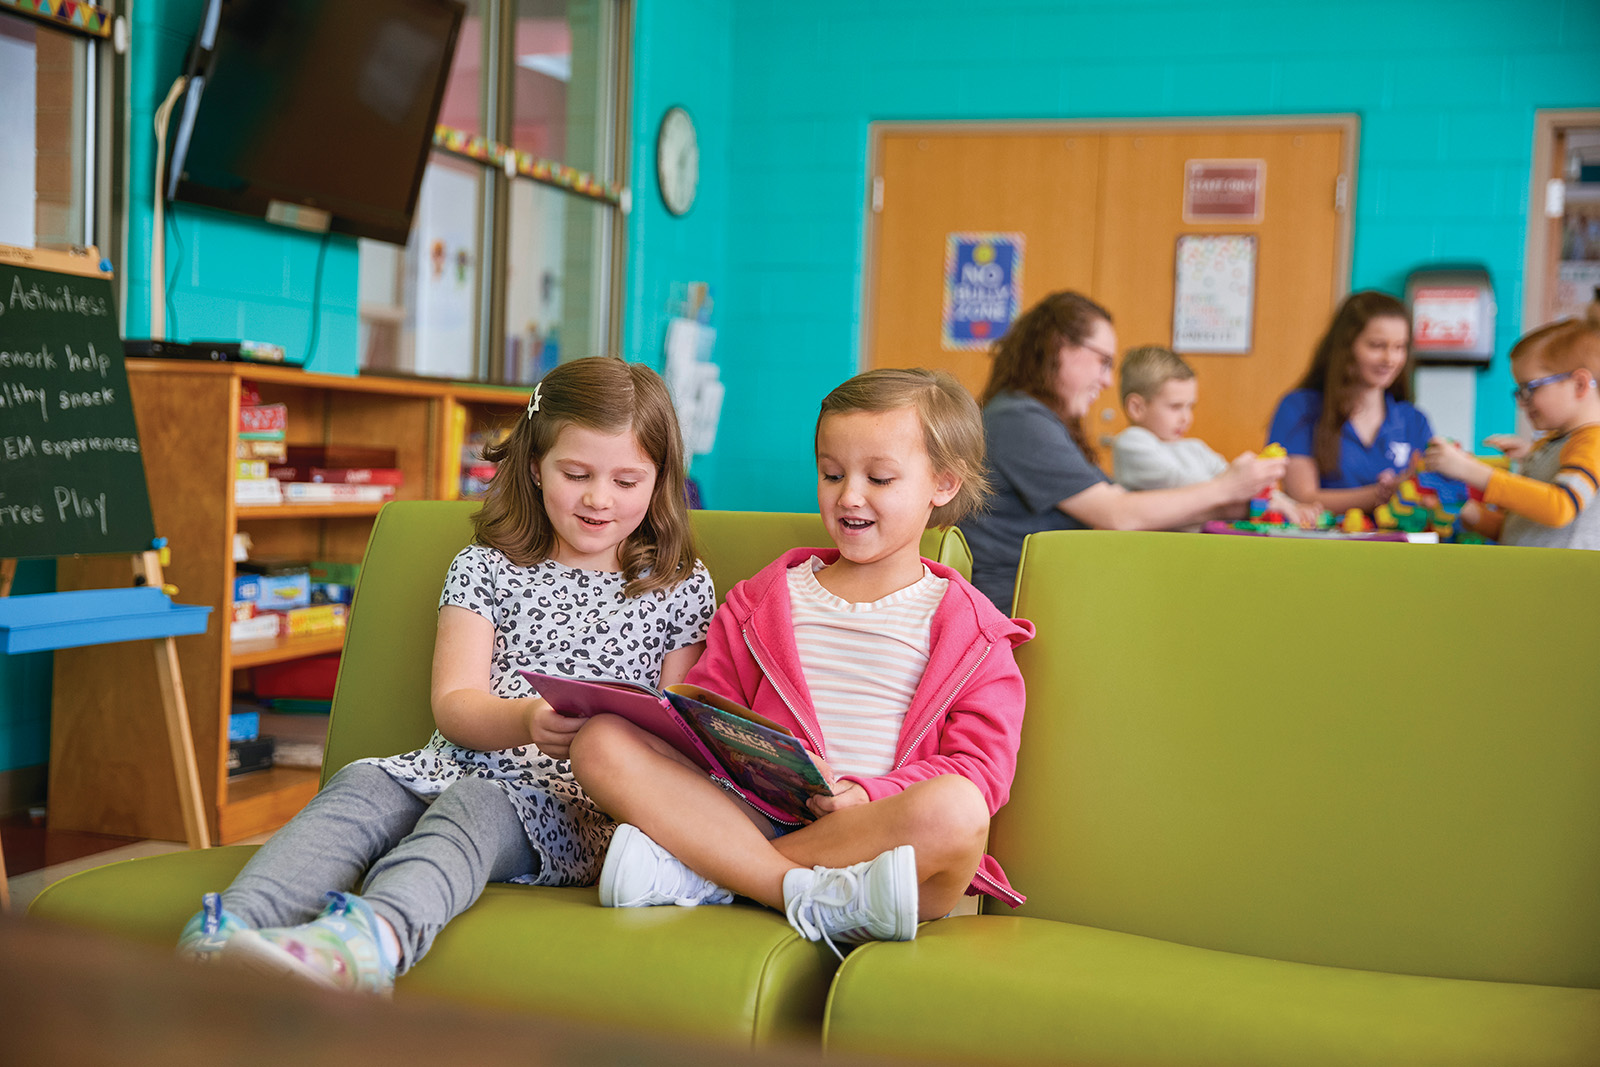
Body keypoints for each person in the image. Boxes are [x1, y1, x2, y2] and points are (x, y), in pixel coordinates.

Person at [176, 357, 717, 993]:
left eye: (627, 480)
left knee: (474, 809)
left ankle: (369, 940)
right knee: (360, 787)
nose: (601, 498)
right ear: (536, 466)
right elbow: (454, 704)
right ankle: (230, 931)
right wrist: (525, 720)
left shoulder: (679, 587)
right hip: (456, 761)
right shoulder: (485, 567)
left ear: (659, 484)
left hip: (573, 810)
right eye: (577, 474)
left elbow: (681, 735)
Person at [568, 368, 1034, 956]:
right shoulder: (765, 599)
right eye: (832, 473)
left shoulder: (978, 635)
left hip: (881, 840)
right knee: (600, 741)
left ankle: (710, 876)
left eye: (880, 478)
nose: (849, 496)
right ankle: (793, 888)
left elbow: (980, 771)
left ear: (943, 484)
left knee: (959, 809)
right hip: (759, 814)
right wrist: (720, 744)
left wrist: (868, 794)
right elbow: (707, 715)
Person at [962, 291, 1286, 612]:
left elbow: (1120, 502)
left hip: (1042, 591)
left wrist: (1233, 505)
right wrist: (1225, 488)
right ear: (1060, 347)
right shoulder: (1019, 419)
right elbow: (1117, 514)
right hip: (1013, 604)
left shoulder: (1030, 416)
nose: (1106, 381)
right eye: (1103, 362)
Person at [1423, 301, 1600, 549]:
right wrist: (1464, 508)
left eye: (1530, 388)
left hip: (1563, 584)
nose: (1522, 402)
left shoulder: (1592, 443)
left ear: (1580, 384)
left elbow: (1560, 507)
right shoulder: (1553, 445)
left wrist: (1471, 470)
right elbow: (1517, 531)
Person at [1112, 345, 1318, 527]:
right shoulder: (1132, 442)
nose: (1186, 418)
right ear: (1136, 407)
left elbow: (1230, 476)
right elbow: (1182, 482)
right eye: (1175, 407)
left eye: (1190, 406)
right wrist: (1247, 488)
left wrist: (1291, 504)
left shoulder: (1194, 448)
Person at [1267, 290, 1434, 514]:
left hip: (1400, 545)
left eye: (1399, 347)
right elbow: (1303, 498)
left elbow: (1428, 492)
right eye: (1376, 345)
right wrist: (1384, 494)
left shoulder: (1414, 420)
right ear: (1347, 347)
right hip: (1324, 544)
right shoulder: (1299, 409)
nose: (1390, 359)